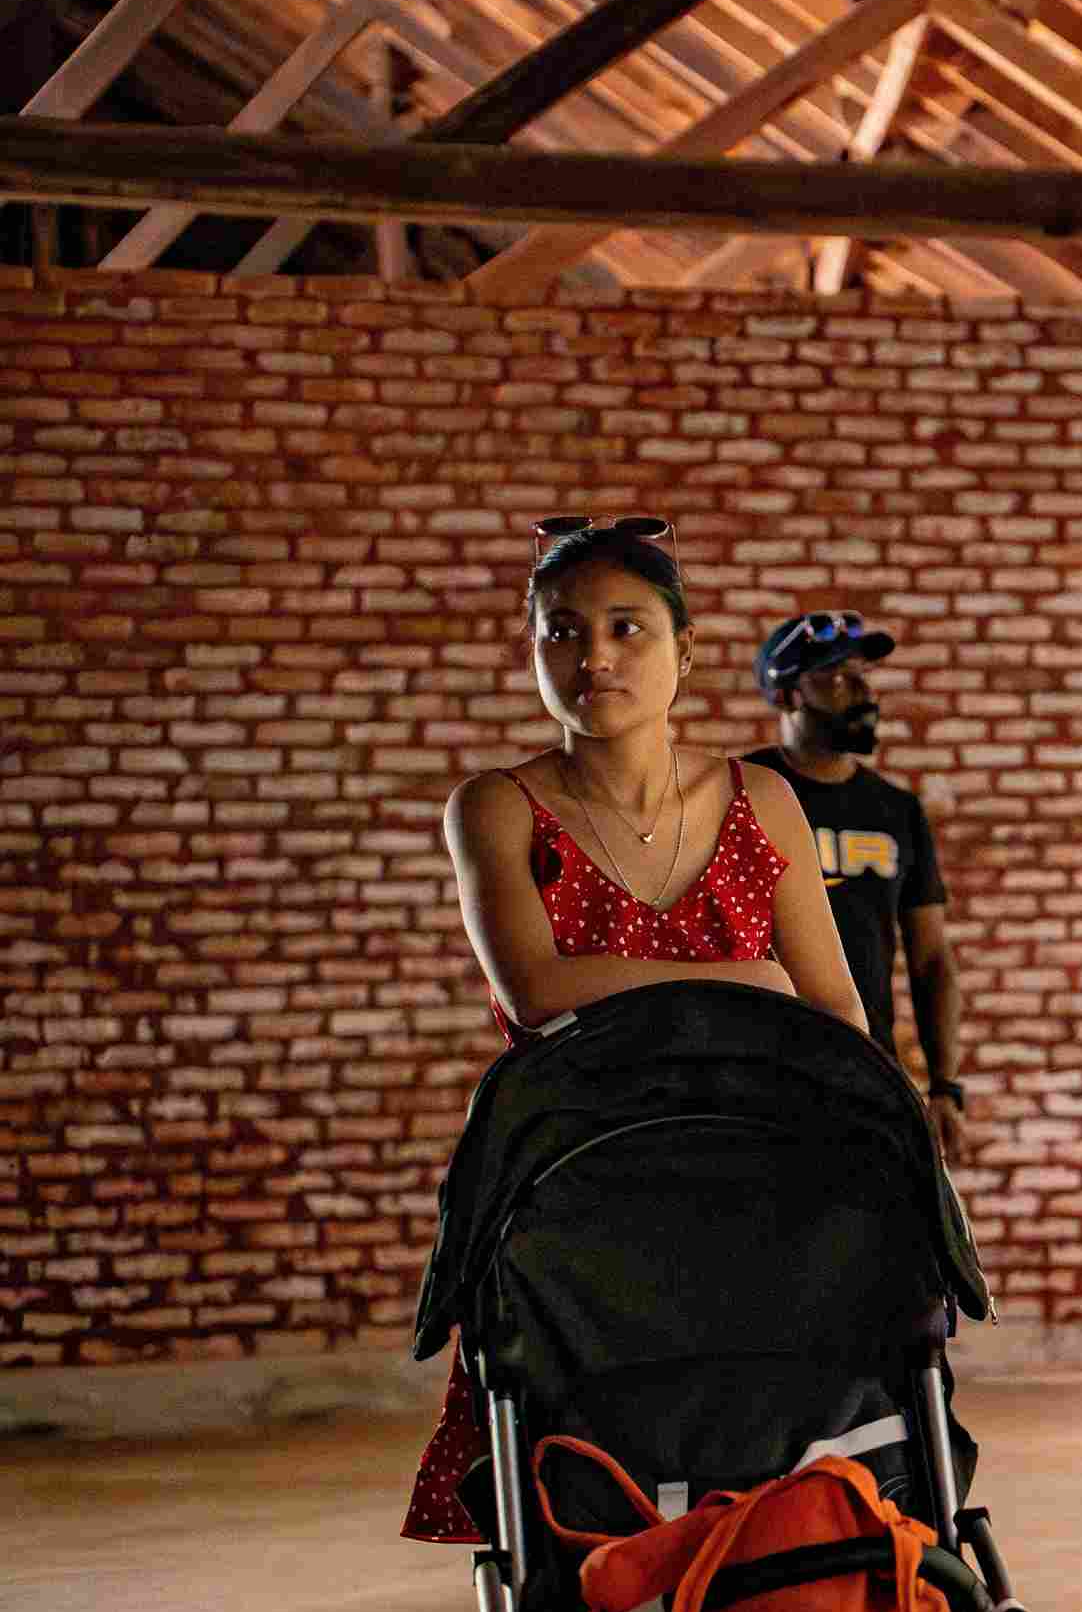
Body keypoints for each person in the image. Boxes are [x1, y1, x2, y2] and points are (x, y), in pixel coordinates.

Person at [400, 513, 870, 1544]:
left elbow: (837, 1010)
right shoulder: (496, 807)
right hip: (581, 1180)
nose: (595, 657)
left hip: (762, 1166)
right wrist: (749, 979)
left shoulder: (762, 799)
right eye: (562, 632)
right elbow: (535, 989)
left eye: (627, 628)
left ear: (684, 650)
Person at [744, 610, 974, 1168]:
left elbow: (931, 960)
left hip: (865, 1076)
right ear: (788, 695)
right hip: (751, 1079)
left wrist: (945, 1086)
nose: (864, 695)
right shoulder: (738, 793)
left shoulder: (896, 810)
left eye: (863, 677)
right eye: (837, 679)